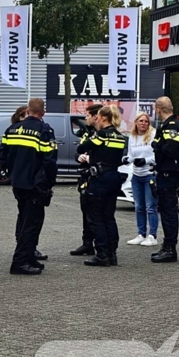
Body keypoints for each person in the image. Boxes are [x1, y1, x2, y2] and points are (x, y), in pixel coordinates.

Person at [0, 98, 58, 275]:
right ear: (43, 113)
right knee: (31, 224)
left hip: (18, 183)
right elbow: (49, 160)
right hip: (36, 184)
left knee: (24, 218)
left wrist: (10, 172)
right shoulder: (44, 130)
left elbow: (2, 154)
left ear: (29, 110)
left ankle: (30, 258)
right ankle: (20, 262)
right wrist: (49, 182)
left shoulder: (12, 129)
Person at [76, 104, 126, 267]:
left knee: (96, 217)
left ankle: (102, 254)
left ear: (104, 118)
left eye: (97, 116)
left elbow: (82, 147)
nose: (96, 119)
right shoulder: (119, 136)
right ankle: (112, 253)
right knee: (109, 217)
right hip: (114, 178)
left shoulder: (101, 135)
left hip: (100, 178)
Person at [151, 97, 179, 263]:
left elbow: (169, 149)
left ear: (159, 109)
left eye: (156, 110)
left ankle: (170, 248)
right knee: (166, 211)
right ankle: (167, 245)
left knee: (168, 212)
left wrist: (157, 147)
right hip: (166, 172)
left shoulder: (173, 126)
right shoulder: (169, 125)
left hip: (169, 172)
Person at [71, 103, 103, 257]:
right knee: (86, 211)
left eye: (88, 115)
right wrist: (80, 157)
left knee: (98, 214)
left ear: (96, 117)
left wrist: (93, 159)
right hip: (85, 176)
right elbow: (78, 152)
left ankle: (102, 246)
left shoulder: (104, 133)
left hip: (99, 177)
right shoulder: (87, 133)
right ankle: (87, 244)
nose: (85, 118)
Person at [125, 112, 159, 247]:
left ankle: (152, 236)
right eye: (141, 121)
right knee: (139, 207)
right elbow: (130, 155)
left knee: (151, 207)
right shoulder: (132, 137)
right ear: (136, 123)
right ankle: (141, 234)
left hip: (150, 175)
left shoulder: (153, 135)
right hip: (136, 175)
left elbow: (157, 156)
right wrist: (126, 160)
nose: (143, 123)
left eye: (146, 121)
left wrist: (146, 160)